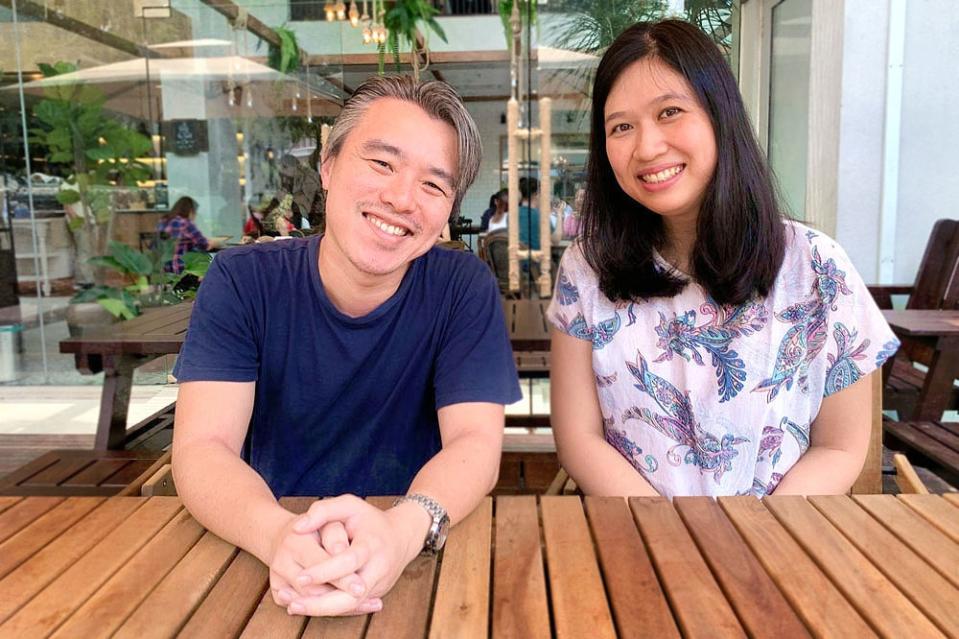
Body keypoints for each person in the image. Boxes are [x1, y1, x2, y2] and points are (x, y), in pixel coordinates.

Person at [171, 75, 521, 618]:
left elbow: (475, 442)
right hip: (261, 548)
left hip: (416, 555)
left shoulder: (461, 287)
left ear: (449, 206)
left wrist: (403, 532)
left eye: (433, 185)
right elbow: (201, 448)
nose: (401, 198)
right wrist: (279, 535)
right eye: (382, 163)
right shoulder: (244, 281)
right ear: (329, 165)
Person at [547, 20, 900, 499]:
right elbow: (578, 439)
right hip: (637, 538)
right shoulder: (587, 268)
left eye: (670, 112)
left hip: (779, 542)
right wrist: (672, 534)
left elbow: (840, 446)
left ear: (721, 116)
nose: (647, 147)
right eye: (621, 127)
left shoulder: (817, 267)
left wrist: (753, 536)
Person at [156, 196, 219, 273]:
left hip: (164, 268)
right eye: (195, 212)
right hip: (181, 268)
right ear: (190, 211)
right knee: (209, 260)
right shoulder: (185, 223)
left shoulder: (163, 221)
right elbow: (204, 245)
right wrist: (216, 243)